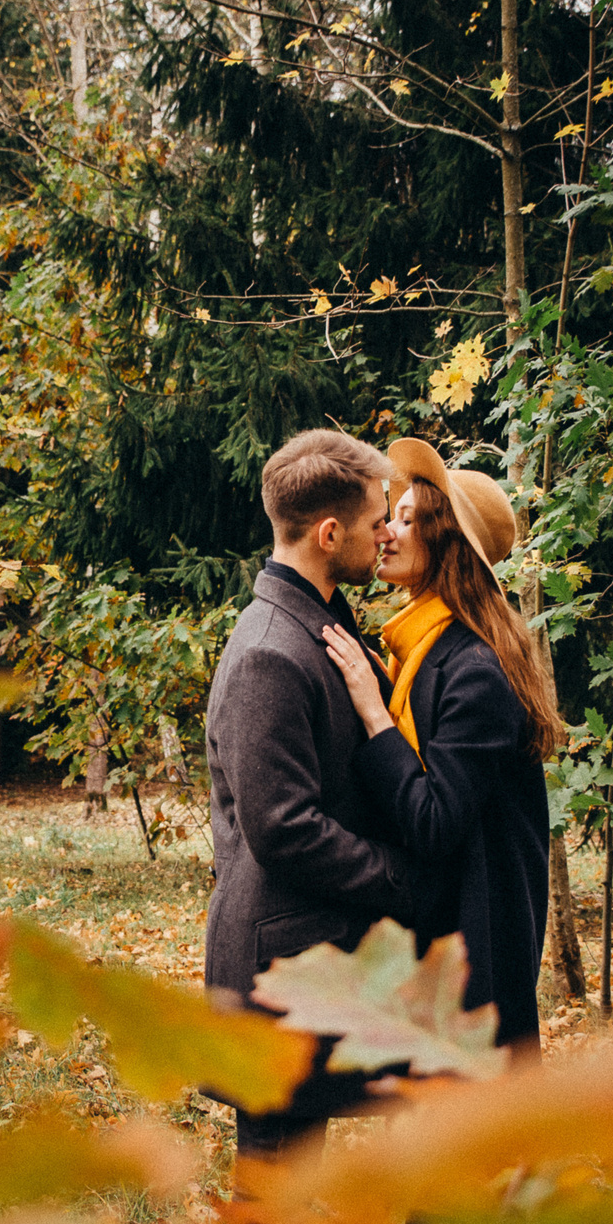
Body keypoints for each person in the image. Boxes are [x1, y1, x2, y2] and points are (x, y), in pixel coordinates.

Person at [202, 427, 416, 1156]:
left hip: (309, 964)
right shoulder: (269, 650)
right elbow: (283, 827)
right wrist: (404, 876)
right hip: (277, 974)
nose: (386, 533)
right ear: (329, 534)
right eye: (376, 520)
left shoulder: (314, 623)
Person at [319, 438, 558, 1056]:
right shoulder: (423, 650)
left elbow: (433, 821)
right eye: (390, 517)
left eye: (406, 520)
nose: (386, 533)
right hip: (443, 937)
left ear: (446, 543)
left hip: (477, 949)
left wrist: (375, 715)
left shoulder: (476, 669)